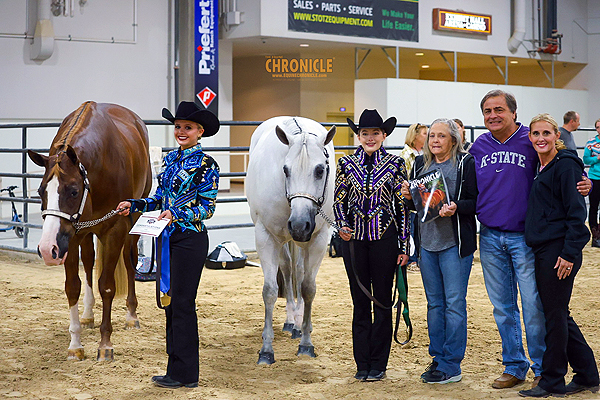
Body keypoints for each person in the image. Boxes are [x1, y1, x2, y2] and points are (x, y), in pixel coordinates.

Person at [469, 90, 591, 390]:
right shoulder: (478, 146)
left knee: (536, 306)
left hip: (526, 237)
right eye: (487, 110)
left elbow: (563, 160)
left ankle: (541, 367)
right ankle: (514, 365)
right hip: (489, 236)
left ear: (514, 112)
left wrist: (584, 182)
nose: (493, 115)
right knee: (502, 307)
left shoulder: (530, 138)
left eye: (499, 109)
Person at [116, 101, 220, 389]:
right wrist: (135, 204)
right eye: (178, 127)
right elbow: (159, 198)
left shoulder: (207, 164)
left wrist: (177, 214)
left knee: (184, 304)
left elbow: (207, 208)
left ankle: (187, 374)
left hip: (190, 239)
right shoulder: (172, 160)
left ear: (200, 131)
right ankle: (174, 368)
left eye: (187, 127)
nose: (181, 131)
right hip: (168, 237)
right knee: (171, 304)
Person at [518, 113, 599, 397]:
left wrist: (568, 253)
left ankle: (552, 380)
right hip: (545, 249)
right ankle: (588, 373)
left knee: (554, 316)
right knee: (558, 314)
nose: (540, 138)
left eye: (546, 133)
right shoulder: (543, 167)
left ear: (557, 137)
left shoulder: (565, 167)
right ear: (530, 138)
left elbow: (577, 213)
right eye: (535, 134)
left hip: (559, 251)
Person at [334, 109, 409, 382]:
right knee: (360, 301)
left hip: (385, 241)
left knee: (383, 301)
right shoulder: (345, 164)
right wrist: (342, 224)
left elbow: (402, 207)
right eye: (365, 133)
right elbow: (338, 200)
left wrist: (404, 246)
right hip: (354, 243)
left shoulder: (395, 164)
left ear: (384, 135)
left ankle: (379, 363)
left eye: (375, 133)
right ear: (358, 135)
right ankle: (362, 363)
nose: (370, 137)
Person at [401, 118, 478, 384]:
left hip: (455, 245)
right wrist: (408, 197)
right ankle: (437, 358)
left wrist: (457, 206)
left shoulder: (465, 163)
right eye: (432, 135)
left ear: (453, 140)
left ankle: (452, 364)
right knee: (435, 305)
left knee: (454, 305)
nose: (434, 140)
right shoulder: (420, 165)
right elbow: (416, 209)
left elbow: (476, 201)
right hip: (427, 245)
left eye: (441, 136)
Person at [399, 123, 428, 273]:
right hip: (411, 199)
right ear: (415, 136)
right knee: (409, 230)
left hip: (423, 198)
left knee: (419, 231)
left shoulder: (425, 154)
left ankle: (419, 259)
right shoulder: (406, 155)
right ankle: (411, 259)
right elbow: (405, 178)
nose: (427, 136)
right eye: (424, 134)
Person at [583, 118, 600, 248]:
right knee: (593, 207)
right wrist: (597, 158)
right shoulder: (591, 143)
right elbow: (586, 159)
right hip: (595, 177)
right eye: (598, 127)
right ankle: (595, 235)